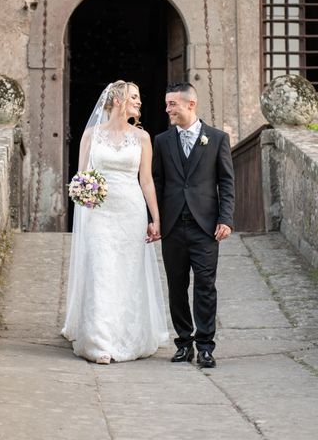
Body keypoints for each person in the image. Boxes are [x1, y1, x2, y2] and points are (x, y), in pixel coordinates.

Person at [62, 80, 169, 364]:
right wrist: (84, 193)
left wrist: (155, 218)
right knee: (101, 269)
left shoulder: (142, 139)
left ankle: (125, 334)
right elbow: (81, 176)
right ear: (119, 100)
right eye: (134, 97)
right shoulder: (90, 136)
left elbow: (145, 180)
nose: (140, 102)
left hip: (131, 212)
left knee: (127, 272)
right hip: (99, 213)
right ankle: (100, 342)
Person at [152, 82, 235, 368]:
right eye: (167, 104)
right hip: (174, 226)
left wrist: (226, 218)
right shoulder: (161, 141)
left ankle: (206, 346)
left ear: (191, 104)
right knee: (176, 285)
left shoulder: (217, 138)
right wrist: (156, 220)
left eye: (172, 104)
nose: (167, 109)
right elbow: (158, 182)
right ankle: (183, 343)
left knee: (205, 286)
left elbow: (226, 181)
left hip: (205, 226)